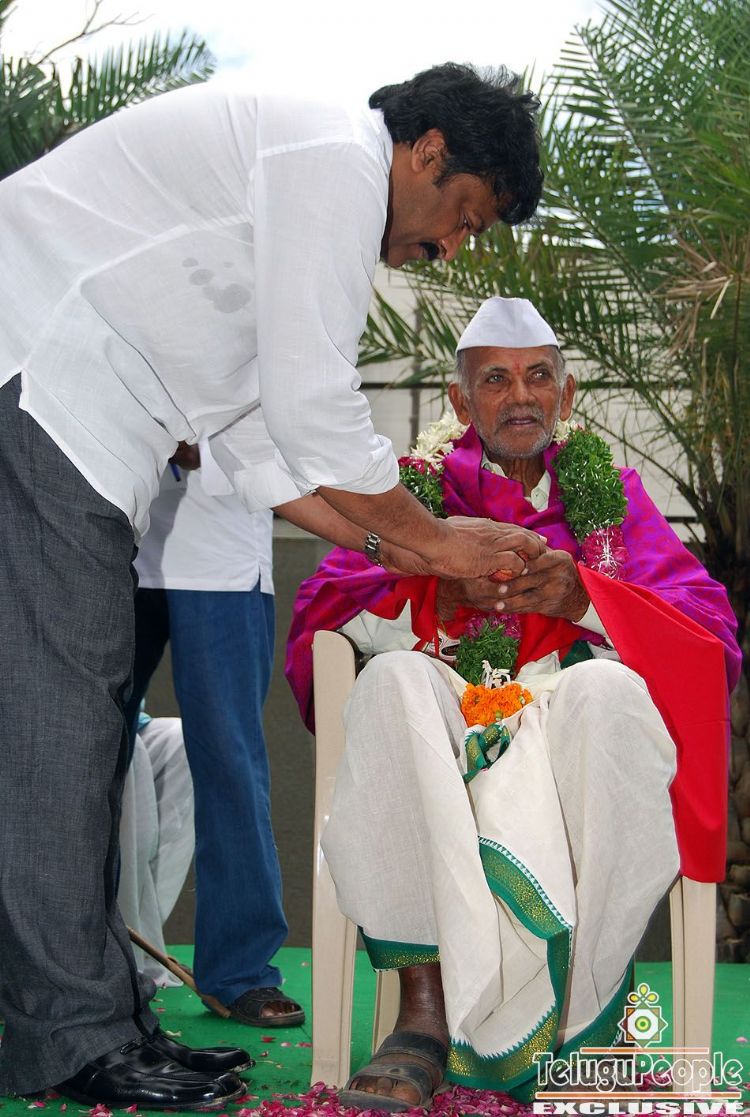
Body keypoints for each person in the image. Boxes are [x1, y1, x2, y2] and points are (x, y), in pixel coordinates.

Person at [0, 63, 544, 1107]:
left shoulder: (307, 183)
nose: (450, 247)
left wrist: (405, 548)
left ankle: (99, 1020)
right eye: (464, 216)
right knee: (60, 727)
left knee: (80, 724)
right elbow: (314, 411)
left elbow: (261, 444)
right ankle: (69, 1039)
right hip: (40, 377)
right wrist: (437, 545)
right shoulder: (336, 157)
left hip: (74, 402)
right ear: (428, 152)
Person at [286, 297, 742, 1112]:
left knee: (608, 693)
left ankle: (589, 1022)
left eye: (538, 376)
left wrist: (587, 598)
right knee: (390, 684)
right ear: (460, 403)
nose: (520, 395)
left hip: (565, 715)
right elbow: (327, 609)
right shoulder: (411, 494)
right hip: (448, 710)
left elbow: (706, 629)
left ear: (567, 396)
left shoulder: (614, 498)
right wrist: (430, 580)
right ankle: (422, 1015)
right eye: (495, 379)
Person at [124, 440, 302, 1027]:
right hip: (107, 537)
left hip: (222, 555)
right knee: (79, 759)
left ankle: (239, 970)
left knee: (230, 761)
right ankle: (74, 964)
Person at [118, 713, 196, 987]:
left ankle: (143, 943)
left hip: (121, 717)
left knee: (183, 739)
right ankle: (118, 954)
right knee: (123, 747)